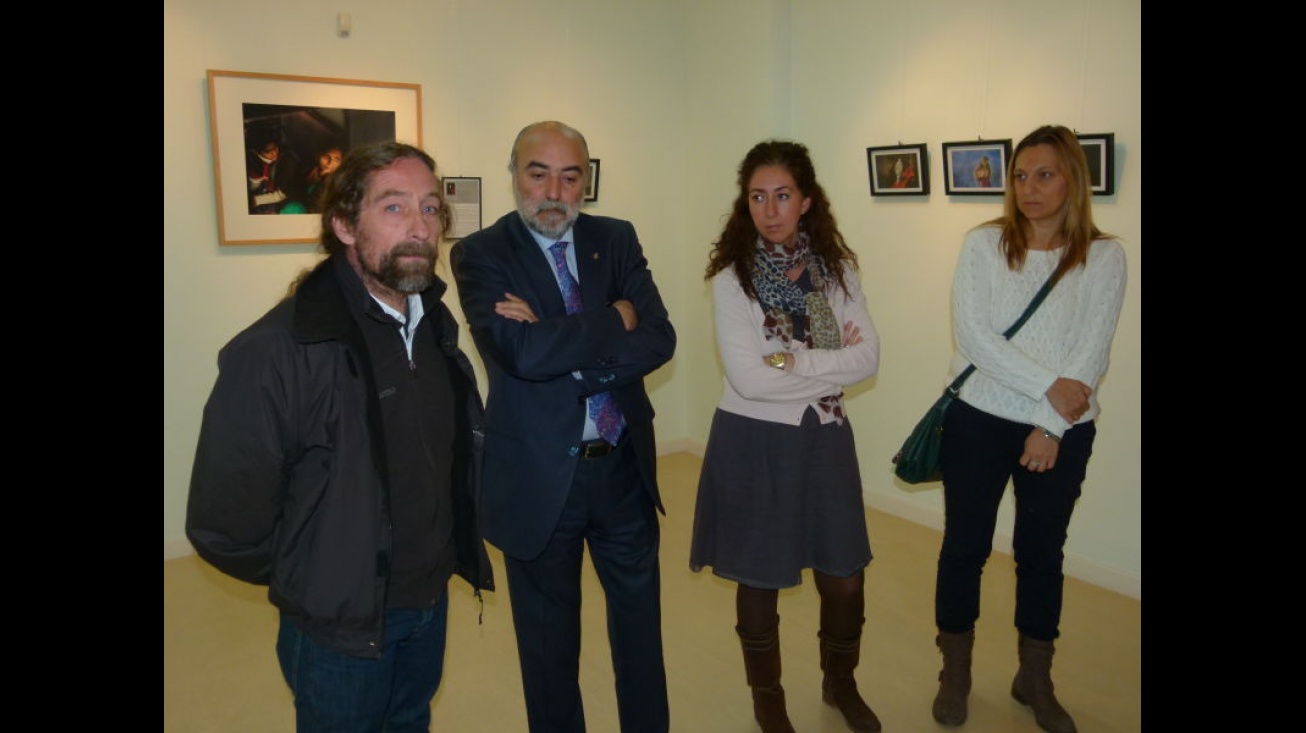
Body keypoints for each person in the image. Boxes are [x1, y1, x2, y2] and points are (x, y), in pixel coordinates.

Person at [186, 141, 495, 733]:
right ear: (344, 226)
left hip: (428, 601)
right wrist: (315, 580)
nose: (420, 228)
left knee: (409, 721)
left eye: (431, 209)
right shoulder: (278, 351)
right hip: (338, 625)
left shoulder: (433, 324)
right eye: (395, 208)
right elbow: (224, 524)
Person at [450, 121, 676, 733]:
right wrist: (614, 318)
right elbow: (520, 356)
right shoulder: (481, 253)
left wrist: (558, 343)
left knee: (640, 636)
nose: (554, 190)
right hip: (540, 479)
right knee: (549, 651)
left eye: (570, 175)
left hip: (623, 469)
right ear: (514, 174)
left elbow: (660, 338)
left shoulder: (616, 238)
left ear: (587, 181)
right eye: (538, 172)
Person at [929, 124, 1126, 733]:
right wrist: (1048, 391)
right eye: (1019, 176)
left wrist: (1049, 424)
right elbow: (976, 339)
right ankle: (954, 672)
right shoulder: (983, 246)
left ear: (1073, 179)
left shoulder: (1105, 255)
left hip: (1062, 431)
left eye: (1044, 174)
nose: (1029, 188)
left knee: (1041, 554)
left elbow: (1091, 354)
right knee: (965, 547)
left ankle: (1033, 676)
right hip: (979, 421)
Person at [689, 140, 882, 733]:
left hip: (825, 435)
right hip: (754, 441)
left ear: (806, 201)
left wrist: (787, 363)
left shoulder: (838, 271)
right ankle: (767, 697)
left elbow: (868, 359)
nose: (769, 209)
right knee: (761, 574)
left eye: (781, 196)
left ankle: (840, 684)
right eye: (756, 197)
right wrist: (825, 362)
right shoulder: (732, 279)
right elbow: (747, 378)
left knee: (844, 576)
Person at [282, 143, 343, 214]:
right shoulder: (308, 174)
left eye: (336, 159)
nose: (330, 163)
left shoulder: (342, 179)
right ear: (318, 157)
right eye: (326, 157)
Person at [245, 131, 289, 214]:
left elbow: (284, 193)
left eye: (275, 148)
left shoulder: (285, 160)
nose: (274, 153)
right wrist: (256, 180)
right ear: (256, 152)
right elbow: (252, 189)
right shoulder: (251, 165)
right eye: (268, 151)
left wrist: (255, 200)